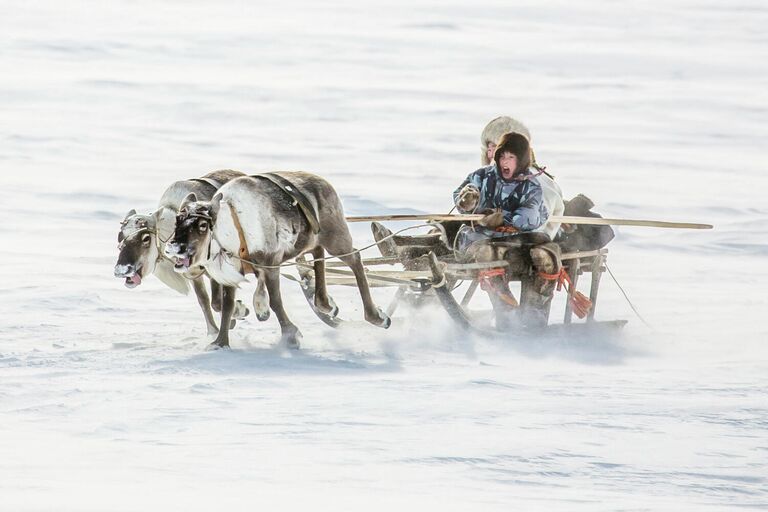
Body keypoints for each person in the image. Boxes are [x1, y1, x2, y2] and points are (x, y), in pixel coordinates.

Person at [454, 128, 562, 330]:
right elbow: (462, 194)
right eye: (502, 156)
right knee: (487, 252)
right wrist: (467, 202)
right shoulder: (483, 176)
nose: (505, 162)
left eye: (511, 157)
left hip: (518, 243)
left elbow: (530, 216)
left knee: (545, 256)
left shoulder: (531, 186)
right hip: (480, 239)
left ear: (520, 160)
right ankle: (507, 314)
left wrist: (504, 218)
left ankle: (533, 318)